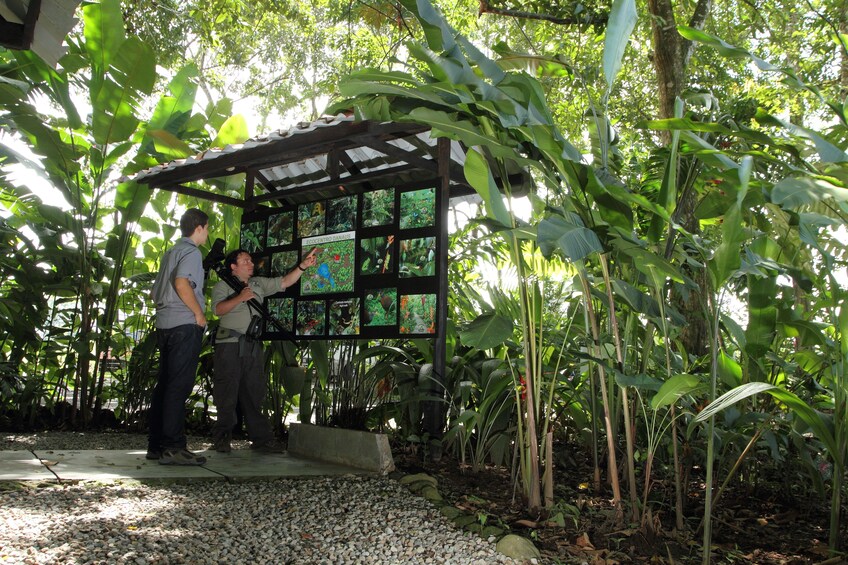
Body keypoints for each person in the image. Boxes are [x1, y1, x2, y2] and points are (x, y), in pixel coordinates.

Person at [210, 247, 317, 453]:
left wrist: (303, 265)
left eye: (250, 260)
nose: (251, 263)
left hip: (252, 344)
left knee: (254, 392)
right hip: (229, 344)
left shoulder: (258, 283)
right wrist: (240, 297)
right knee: (227, 392)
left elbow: (285, 282)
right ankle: (222, 438)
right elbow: (217, 310)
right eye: (245, 261)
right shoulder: (222, 285)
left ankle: (262, 440)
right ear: (233, 267)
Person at [147, 208, 210, 465]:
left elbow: (154, 291)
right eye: (206, 229)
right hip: (184, 324)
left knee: (164, 385)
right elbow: (182, 283)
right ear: (199, 228)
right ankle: (173, 447)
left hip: (164, 325)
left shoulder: (171, 251)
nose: (207, 234)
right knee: (178, 386)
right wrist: (198, 314)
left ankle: (156, 446)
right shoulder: (192, 252)